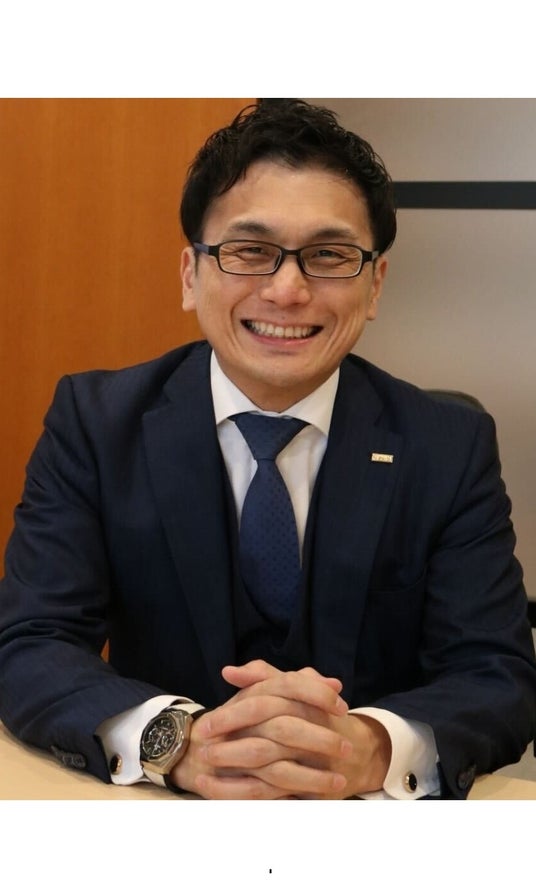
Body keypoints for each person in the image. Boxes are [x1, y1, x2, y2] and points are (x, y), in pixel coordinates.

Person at [0, 99, 534, 801]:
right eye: (250, 251)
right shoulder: (97, 423)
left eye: (329, 255)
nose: (287, 289)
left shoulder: (448, 445)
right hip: (158, 812)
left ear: (375, 284)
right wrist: (177, 739)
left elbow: (496, 673)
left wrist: (372, 746)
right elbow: (31, 642)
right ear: (190, 274)